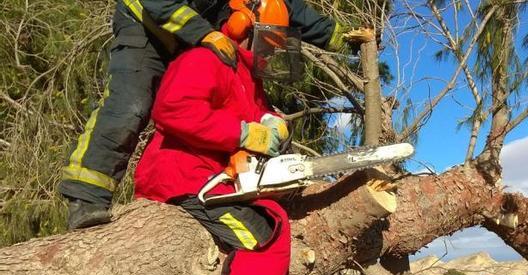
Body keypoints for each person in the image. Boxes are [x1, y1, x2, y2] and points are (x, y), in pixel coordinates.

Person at [134, 0, 349, 275]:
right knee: (266, 235)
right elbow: (172, 111)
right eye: (267, 39)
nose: (271, 50)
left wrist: (273, 124)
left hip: (209, 176)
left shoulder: (245, 75)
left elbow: (256, 117)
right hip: (181, 176)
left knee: (273, 215)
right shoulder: (205, 58)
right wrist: (242, 132)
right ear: (241, 24)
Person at [60, 0, 357, 230]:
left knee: (216, 103)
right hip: (148, 26)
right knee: (132, 105)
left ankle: (195, 188)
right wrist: (204, 33)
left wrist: (344, 39)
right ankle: (86, 197)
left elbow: (290, 8)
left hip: (194, 35)